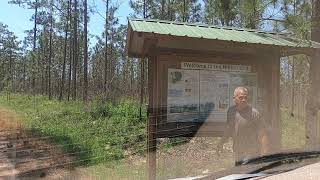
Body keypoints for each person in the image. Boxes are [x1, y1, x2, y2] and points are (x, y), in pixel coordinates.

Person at [217, 87, 269, 165]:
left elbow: (263, 134)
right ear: (234, 99)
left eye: (245, 98)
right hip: (238, 152)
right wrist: (221, 142)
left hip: (251, 153)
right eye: (241, 97)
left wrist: (264, 155)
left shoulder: (254, 113)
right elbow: (229, 129)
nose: (244, 100)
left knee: (246, 174)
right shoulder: (231, 111)